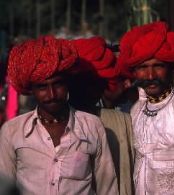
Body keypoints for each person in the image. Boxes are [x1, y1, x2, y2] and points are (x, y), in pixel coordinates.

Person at [0, 35, 118, 195]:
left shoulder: (92, 126)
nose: (52, 94)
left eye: (58, 84)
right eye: (42, 87)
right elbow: (5, 188)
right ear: (32, 90)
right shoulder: (12, 131)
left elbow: (107, 187)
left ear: (67, 83)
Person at [117, 21, 174, 195]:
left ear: (170, 69)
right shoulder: (136, 110)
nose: (150, 75)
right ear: (134, 72)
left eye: (158, 66)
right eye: (143, 68)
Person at [69, 36, 135, 195]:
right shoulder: (51, 125)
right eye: (80, 83)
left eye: (94, 84)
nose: (87, 90)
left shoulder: (120, 122)